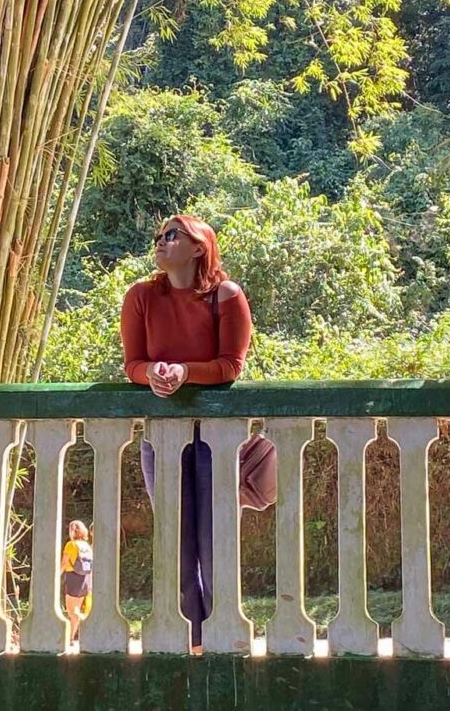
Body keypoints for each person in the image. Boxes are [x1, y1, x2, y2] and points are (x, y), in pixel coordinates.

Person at [120, 214, 275, 654]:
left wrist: (183, 372)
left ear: (199, 246)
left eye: (172, 235)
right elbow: (132, 364)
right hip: (163, 439)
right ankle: (192, 641)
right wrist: (153, 373)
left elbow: (230, 365)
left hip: (218, 441)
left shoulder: (227, 296)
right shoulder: (141, 296)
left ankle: (223, 634)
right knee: (176, 543)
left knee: (215, 540)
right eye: (158, 237)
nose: (161, 242)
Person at [60, 520, 93, 645]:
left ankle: (89, 622)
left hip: (73, 578)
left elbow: (64, 563)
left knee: (72, 611)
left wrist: (56, 576)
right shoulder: (86, 546)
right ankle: (71, 639)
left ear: (73, 530)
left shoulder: (71, 545)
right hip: (85, 579)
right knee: (76, 610)